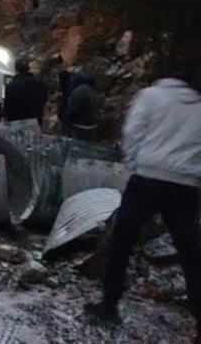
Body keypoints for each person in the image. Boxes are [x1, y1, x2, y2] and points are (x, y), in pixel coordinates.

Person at [84, 57, 201, 343]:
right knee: (191, 254)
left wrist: (135, 165)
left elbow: (132, 133)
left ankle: (109, 305)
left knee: (122, 242)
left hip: (146, 181)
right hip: (185, 186)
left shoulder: (150, 96)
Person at [2, 58, 49, 125]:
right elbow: (44, 100)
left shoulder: (11, 86)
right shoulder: (40, 85)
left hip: (16, 123)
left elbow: (7, 107)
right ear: (28, 68)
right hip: (35, 123)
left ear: (16, 69)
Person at [63, 74, 100, 140]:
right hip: (92, 125)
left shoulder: (77, 92)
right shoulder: (91, 90)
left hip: (80, 126)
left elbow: (72, 110)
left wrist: (67, 121)